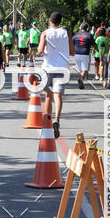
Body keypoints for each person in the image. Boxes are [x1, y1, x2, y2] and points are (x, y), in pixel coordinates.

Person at [37, 11, 74, 139]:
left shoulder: (45, 33)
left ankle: (48, 120)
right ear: (60, 21)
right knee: (58, 95)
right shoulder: (66, 33)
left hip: (48, 68)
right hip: (63, 68)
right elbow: (73, 52)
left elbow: (40, 51)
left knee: (48, 96)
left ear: (50, 20)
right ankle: (57, 119)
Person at [72, 22, 96, 89]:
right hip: (85, 54)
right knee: (85, 69)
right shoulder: (89, 35)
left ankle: (81, 83)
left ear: (80, 28)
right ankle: (81, 79)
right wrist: (97, 50)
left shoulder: (76, 35)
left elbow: (71, 43)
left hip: (76, 54)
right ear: (87, 28)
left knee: (79, 69)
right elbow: (94, 44)